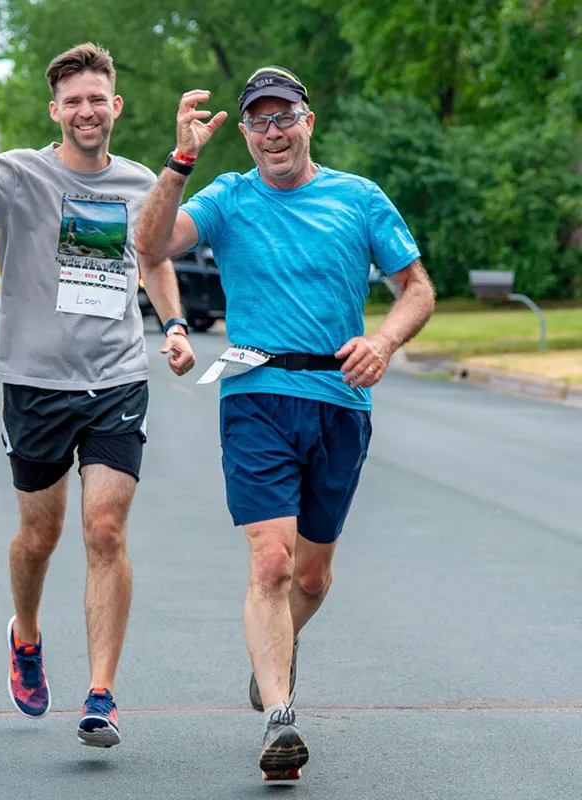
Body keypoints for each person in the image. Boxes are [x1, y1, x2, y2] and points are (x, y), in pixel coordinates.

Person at [136, 66, 436, 782]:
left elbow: (417, 288)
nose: (273, 132)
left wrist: (384, 341)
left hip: (340, 398)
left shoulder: (358, 198)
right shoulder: (229, 197)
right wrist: (179, 163)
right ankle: (279, 719)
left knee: (313, 573)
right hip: (255, 391)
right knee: (269, 562)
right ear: (244, 133)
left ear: (309, 121)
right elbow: (150, 245)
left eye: (284, 117)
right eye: (259, 121)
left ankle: (267, 652)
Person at [0, 43, 195, 748]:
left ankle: (100, 693)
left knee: (104, 529)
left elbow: (153, 255)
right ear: (56, 110)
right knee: (39, 537)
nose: (85, 110)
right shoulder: (16, 174)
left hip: (115, 380)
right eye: (72, 101)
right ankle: (27, 632)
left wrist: (174, 325)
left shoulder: (140, 183)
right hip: (34, 383)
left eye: (96, 98)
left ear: (116, 106)